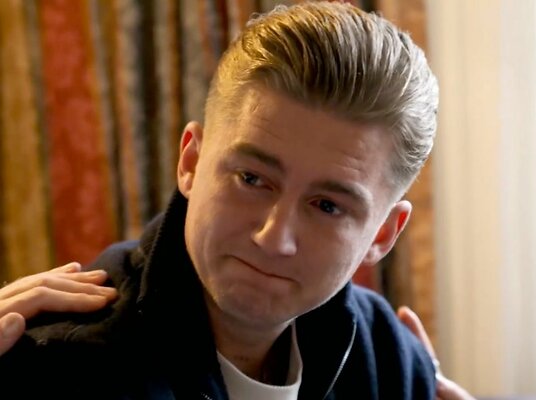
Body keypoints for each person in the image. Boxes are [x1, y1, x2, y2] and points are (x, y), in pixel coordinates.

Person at [0, 2, 472, 399]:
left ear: (383, 234)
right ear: (190, 162)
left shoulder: (389, 358)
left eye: (327, 206)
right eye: (252, 179)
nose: (274, 238)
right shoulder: (61, 365)